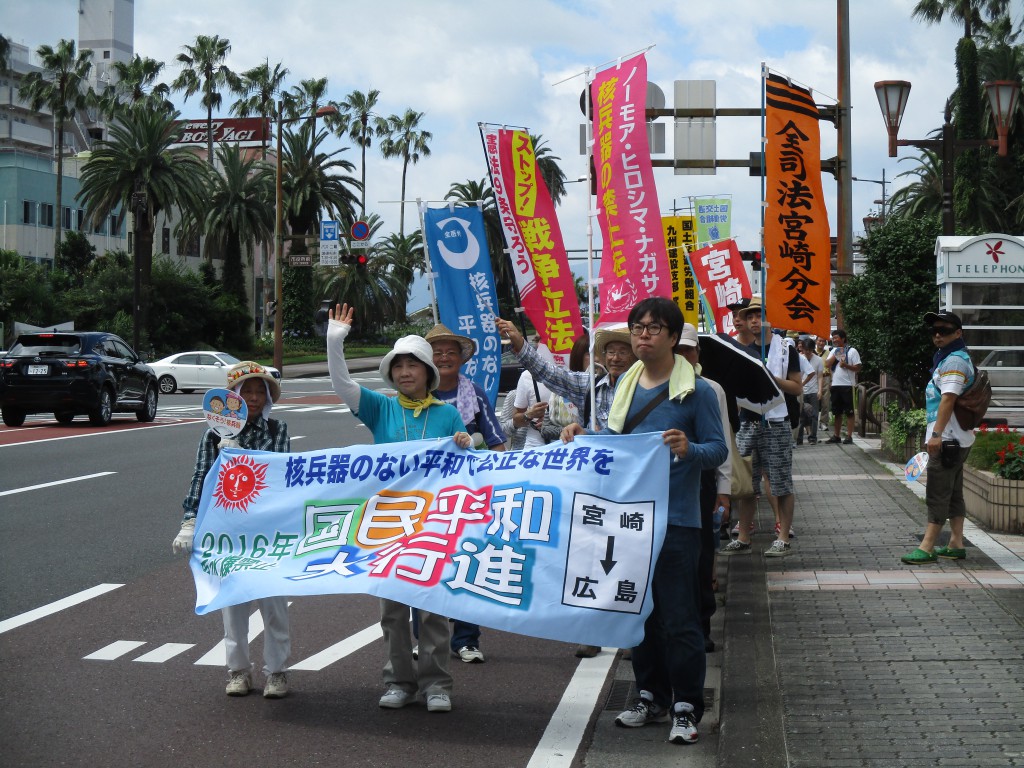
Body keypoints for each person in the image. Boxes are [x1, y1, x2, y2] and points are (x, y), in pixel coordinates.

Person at [562, 297, 727, 745]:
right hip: (630, 520)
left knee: (679, 618)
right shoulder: (624, 388)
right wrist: (584, 436)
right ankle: (649, 696)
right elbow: (618, 446)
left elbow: (718, 449)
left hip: (676, 522)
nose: (643, 335)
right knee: (640, 615)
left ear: (674, 337)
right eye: (637, 328)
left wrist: (688, 449)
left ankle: (687, 706)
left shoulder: (699, 392)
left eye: (654, 328)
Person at [327, 304, 472, 713]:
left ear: (428, 372)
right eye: (399, 366)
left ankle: (437, 685)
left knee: (433, 612)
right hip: (387, 525)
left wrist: (467, 444)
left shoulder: (447, 414)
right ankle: (399, 682)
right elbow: (342, 385)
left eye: (414, 365)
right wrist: (334, 341)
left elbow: (466, 466)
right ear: (391, 373)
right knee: (392, 612)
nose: (406, 372)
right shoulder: (380, 408)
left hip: (434, 525)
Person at [495, 319, 637, 658]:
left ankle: (631, 635)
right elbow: (549, 374)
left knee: (629, 560)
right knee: (588, 558)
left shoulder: (646, 388)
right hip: (592, 485)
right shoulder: (592, 385)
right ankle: (591, 631)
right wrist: (519, 345)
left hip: (631, 486)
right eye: (610, 351)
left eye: (623, 351)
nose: (616, 357)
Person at [172, 361, 292, 699]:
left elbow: (280, 475)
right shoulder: (213, 433)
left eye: (260, 391)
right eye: (247, 391)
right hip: (228, 530)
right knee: (232, 602)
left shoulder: (277, 429)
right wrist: (190, 521)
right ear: (234, 397)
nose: (253, 397)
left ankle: (278, 672)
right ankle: (238, 671)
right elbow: (200, 476)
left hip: (268, 531)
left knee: (274, 603)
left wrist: (245, 458)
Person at [423, 323, 506, 664]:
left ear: (461, 358)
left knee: (467, 561)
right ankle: (425, 638)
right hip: (426, 497)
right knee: (424, 563)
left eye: (450, 352)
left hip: (468, 495)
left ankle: (466, 639)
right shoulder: (415, 395)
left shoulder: (475, 393)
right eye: (436, 352)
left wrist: (505, 478)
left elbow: (496, 440)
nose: (444, 357)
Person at [720, 297, 803, 557]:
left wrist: (771, 378)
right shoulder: (743, 351)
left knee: (780, 481)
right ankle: (743, 535)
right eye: (750, 316)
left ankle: (782, 536)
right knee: (746, 483)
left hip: (777, 422)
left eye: (759, 315)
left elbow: (797, 386)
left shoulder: (786, 349)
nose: (754, 320)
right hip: (748, 422)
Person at [901, 311, 977, 565]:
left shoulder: (954, 362)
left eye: (944, 330)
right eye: (934, 330)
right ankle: (955, 542)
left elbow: (948, 398)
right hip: (956, 437)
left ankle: (928, 546)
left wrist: (936, 435)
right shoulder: (949, 359)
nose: (937, 335)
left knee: (937, 491)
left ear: (958, 333)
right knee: (954, 493)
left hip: (948, 439)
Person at [675, 323, 733, 653]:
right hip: (662, 485)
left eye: (688, 349)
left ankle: (702, 625)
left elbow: (721, 441)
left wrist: (723, 490)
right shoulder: (648, 386)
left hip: (701, 483)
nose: (682, 355)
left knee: (702, 555)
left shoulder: (711, 389)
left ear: (697, 352)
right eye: (677, 349)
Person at [825, 329, 862, 444]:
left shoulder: (852, 351)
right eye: (833, 338)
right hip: (835, 385)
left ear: (843, 338)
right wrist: (837, 353)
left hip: (847, 385)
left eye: (836, 338)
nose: (834, 340)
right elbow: (827, 364)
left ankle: (849, 436)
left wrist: (846, 365)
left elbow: (858, 368)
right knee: (837, 412)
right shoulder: (833, 351)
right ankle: (836, 435)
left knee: (849, 412)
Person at [797, 337, 823, 445]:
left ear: (813, 349)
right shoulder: (799, 358)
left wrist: (820, 390)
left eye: (810, 349)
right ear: (802, 349)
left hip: (813, 390)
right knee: (801, 416)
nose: (807, 352)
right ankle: (799, 439)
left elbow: (820, 376)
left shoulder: (818, 360)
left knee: (814, 415)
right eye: (805, 349)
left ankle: (813, 437)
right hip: (802, 391)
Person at [815, 336, 832, 431]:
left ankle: (823, 422)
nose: (821, 343)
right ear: (816, 341)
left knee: (825, 401)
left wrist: (831, 380)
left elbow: (830, 367)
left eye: (823, 341)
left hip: (826, 377)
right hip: (815, 378)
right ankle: (812, 423)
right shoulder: (812, 353)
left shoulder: (829, 353)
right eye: (819, 341)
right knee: (814, 401)